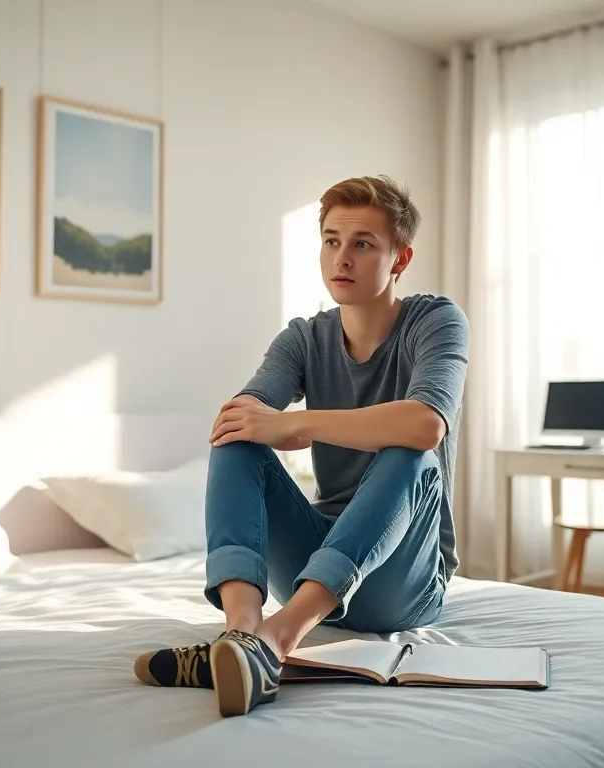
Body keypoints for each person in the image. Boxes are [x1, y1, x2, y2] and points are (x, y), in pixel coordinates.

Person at [133, 175, 469, 717]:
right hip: (317, 564)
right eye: (332, 240)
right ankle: (241, 637)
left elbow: (426, 425)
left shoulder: (435, 321)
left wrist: (302, 422)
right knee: (236, 436)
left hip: (403, 583)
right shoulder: (303, 338)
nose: (343, 257)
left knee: (409, 450)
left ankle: (277, 640)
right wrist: (267, 428)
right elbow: (241, 416)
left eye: (363, 243)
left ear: (400, 258)